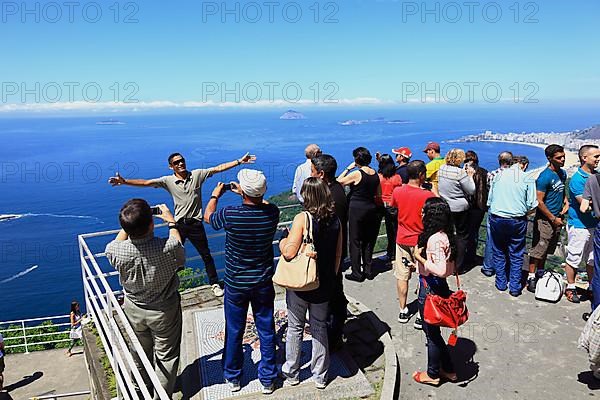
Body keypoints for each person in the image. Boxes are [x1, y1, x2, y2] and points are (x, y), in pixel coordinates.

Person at [108, 152, 256, 297]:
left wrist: (239, 161)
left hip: (195, 224)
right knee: (170, 255)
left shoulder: (197, 175)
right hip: (179, 225)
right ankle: (168, 286)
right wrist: (124, 181)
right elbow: (146, 182)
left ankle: (214, 284)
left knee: (206, 255)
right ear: (170, 166)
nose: (180, 164)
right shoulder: (168, 181)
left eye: (181, 160)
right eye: (176, 162)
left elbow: (217, 168)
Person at [204, 169, 280, 394]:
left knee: (234, 329)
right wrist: (247, 194)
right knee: (266, 329)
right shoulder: (272, 213)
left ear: (244, 191)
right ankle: (267, 379)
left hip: (236, 283)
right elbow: (262, 203)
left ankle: (233, 376)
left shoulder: (230, 214)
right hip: (263, 281)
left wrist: (215, 195)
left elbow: (208, 217)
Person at [105, 200, 185, 399]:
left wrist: (131, 224)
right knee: (166, 357)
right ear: (151, 224)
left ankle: (141, 390)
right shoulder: (168, 247)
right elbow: (179, 251)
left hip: (133, 308)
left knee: (139, 351)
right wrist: (171, 221)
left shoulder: (116, 251)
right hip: (164, 309)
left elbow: (118, 240)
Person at [279, 178, 343, 390]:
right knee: (319, 327)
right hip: (324, 283)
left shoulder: (302, 218)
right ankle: (320, 375)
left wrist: (282, 240)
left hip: (302, 284)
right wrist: (331, 280)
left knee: (295, 327)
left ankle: (292, 373)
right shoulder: (335, 219)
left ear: (306, 196)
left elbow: (288, 252)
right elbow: (338, 255)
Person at [411, 198, 457, 386]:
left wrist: (419, 258)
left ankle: (432, 374)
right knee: (435, 333)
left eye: (424, 211)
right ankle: (449, 369)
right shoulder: (445, 235)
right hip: (438, 286)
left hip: (430, 287)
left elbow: (440, 270)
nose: (421, 214)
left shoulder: (435, 239)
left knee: (431, 334)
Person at [391, 160, 435, 327]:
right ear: (421, 175)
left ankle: (403, 310)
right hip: (421, 241)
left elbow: (394, 206)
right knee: (423, 276)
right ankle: (421, 314)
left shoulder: (398, 191)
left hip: (402, 238)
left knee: (402, 276)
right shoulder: (427, 196)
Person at [311, 154, 349, 350]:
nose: (310, 175)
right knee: (335, 292)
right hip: (336, 252)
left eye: (312, 172)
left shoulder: (330, 197)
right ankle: (334, 330)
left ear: (322, 174)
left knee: (332, 296)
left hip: (330, 254)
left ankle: (332, 336)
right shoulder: (338, 190)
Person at [487, 160, 538, 296]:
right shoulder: (527, 177)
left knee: (498, 250)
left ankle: (501, 283)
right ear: (525, 165)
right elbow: (532, 203)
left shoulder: (498, 175)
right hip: (517, 219)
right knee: (516, 252)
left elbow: (490, 199)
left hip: (497, 217)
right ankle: (515, 287)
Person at [527, 144, 568, 293]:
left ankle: (540, 273)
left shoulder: (562, 173)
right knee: (539, 248)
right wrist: (552, 218)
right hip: (545, 219)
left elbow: (561, 189)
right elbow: (539, 201)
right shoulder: (544, 177)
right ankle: (531, 277)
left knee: (547, 249)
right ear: (550, 158)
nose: (562, 159)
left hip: (557, 217)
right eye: (559, 158)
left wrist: (566, 201)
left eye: (563, 156)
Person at [338, 147, 381, 282]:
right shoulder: (375, 174)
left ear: (357, 159)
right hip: (371, 208)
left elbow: (339, 181)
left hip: (357, 209)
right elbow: (378, 193)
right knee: (368, 240)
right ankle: (368, 270)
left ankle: (357, 272)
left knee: (355, 240)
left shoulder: (357, 174)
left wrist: (348, 169)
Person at [565, 145, 600, 303]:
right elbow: (584, 205)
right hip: (579, 225)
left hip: (594, 225)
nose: (598, 159)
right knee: (574, 257)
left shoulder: (596, 176)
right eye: (595, 156)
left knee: (592, 260)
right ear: (584, 158)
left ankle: (592, 287)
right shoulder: (577, 179)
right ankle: (570, 287)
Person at [438, 149, 475, 272]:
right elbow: (471, 190)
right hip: (459, 208)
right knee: (462, 236)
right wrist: (470, 176)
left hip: (445, 206)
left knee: (447, 234)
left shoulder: (442, 169)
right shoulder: (460, 173)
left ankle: (445, 261)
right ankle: (458, 266)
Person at [480, 151, 514, 277]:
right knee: (509, 241)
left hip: (495, 208)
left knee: (491, 239)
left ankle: (488, 267)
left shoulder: (492, 174)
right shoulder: (517, 176)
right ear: (511, 162)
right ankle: (505, 269)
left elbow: (490, 189)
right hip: (511, 209)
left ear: (499, 161)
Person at [463, 150, 489, 269]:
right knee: (474, 232)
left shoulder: (465, 172)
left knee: (466, 232)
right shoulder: (484, 172)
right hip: (481, 207)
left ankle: (466, 257)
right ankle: (471, 256)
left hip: (469, 206)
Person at [377, 154, 402, 263]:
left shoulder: (379, 177)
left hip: (380, 204)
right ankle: (394, 253)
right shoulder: (396, 177)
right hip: (393, 206)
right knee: (393, 231)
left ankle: (390, 254)